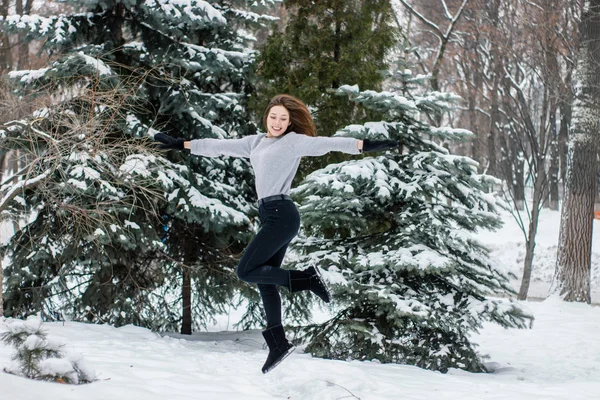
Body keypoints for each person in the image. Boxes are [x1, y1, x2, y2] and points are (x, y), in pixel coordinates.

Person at [154, 94, 399, 373]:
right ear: (266, 117)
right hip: (270, 215)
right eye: (274, 117)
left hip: (282, 214)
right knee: (265, 280)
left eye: (284, 118)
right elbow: (218, 146)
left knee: (246, 271)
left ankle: (306, 278)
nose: (278, 122)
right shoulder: (255, 142)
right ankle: (278, 343)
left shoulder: (293, 142)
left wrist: (367, 146)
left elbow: (330, 143)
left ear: (290, 121)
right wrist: (181, 144)